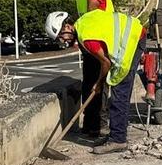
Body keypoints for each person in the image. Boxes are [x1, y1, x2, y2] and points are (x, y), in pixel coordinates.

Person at [46, 8, 146, 155]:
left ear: (67, 26)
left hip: (133, 39)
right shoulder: (83, 23)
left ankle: (118, 140)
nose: (63, 41)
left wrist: (99, 83)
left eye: (61, 36)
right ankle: (115, 135)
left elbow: (105, 62)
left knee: (119, 92)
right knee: (117, 89)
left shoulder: (86, 38)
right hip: (134, 33)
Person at [74, 0, 114, 138]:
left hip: (87, 38)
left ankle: (89, 125)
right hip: (97, 39)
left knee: (89, 81)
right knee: (100, 82)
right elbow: (93, 6)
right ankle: (99, 125)